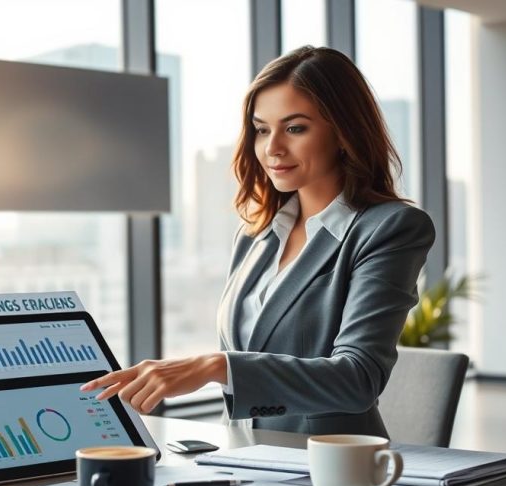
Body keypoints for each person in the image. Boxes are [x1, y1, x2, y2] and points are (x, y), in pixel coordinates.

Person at [81, 46, 435, 437]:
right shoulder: (256, 234)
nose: (272, 148)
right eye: (262, 129)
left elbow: (358, 378)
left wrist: (217, 366)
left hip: (330, 461)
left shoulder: (390, 228)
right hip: (242, 456)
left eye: (295, 128)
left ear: (343, 132)